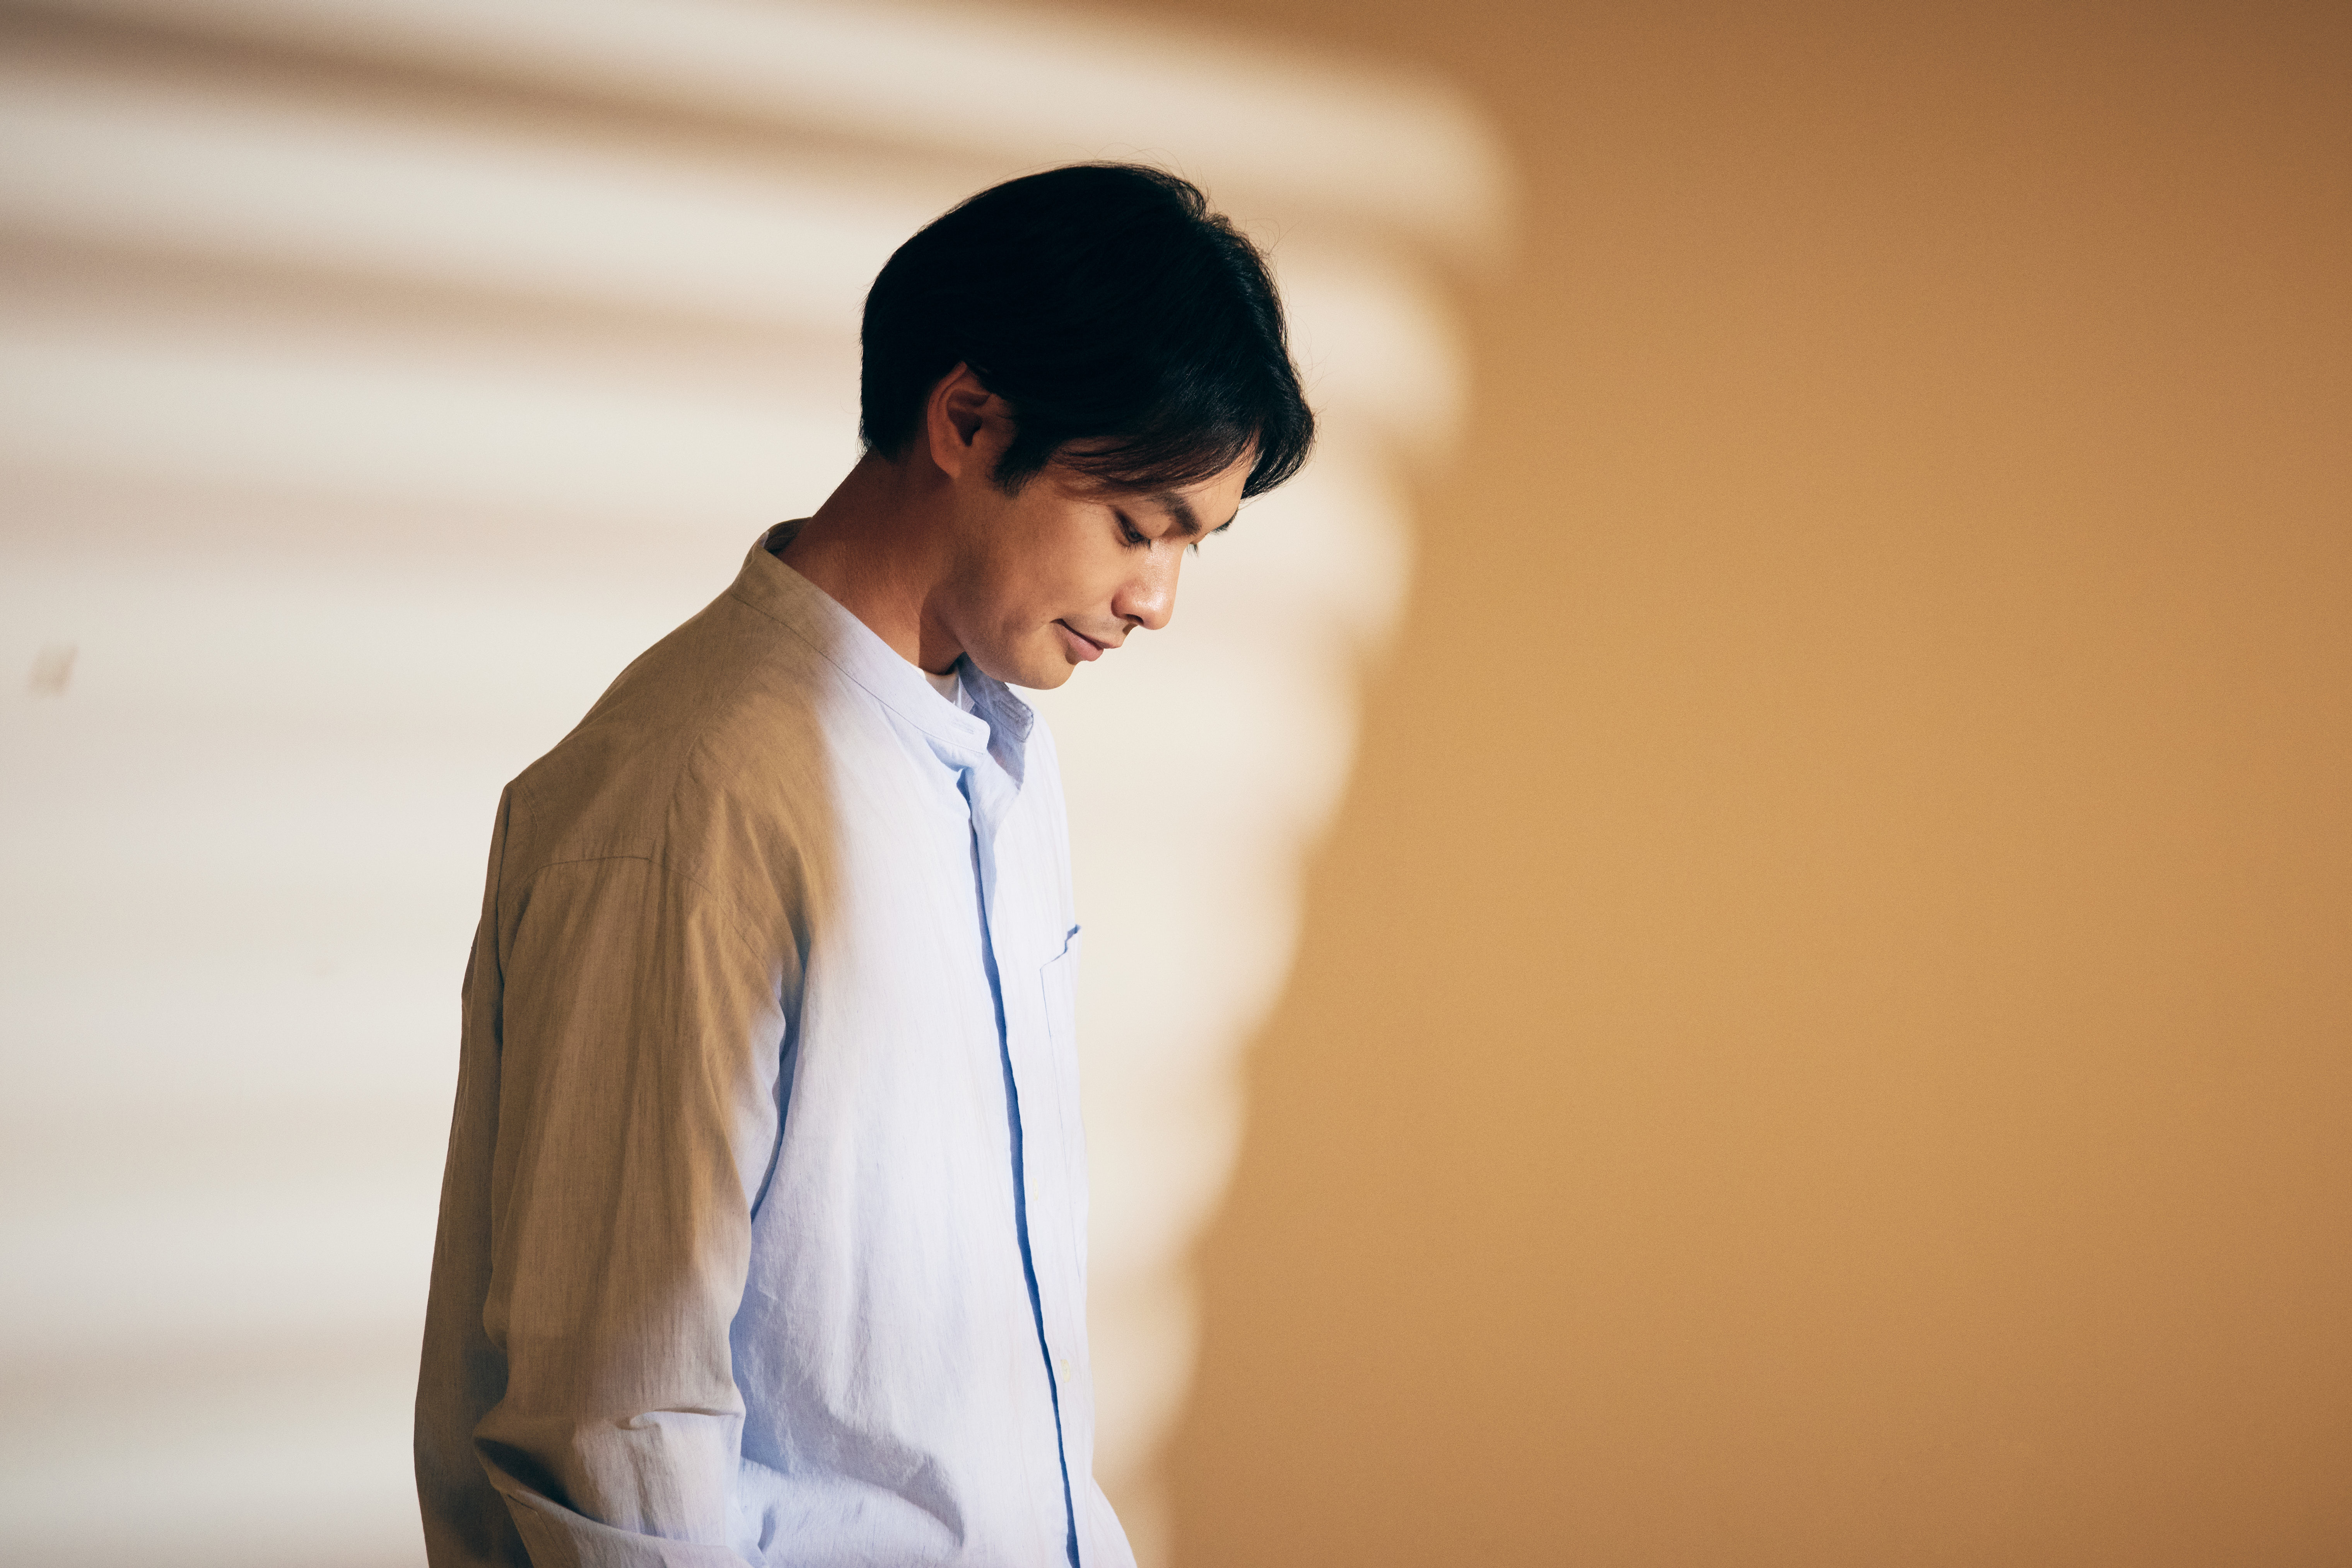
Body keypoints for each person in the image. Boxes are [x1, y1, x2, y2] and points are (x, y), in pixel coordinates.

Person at [413, 164, 1313, 1567]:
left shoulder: (994, 757)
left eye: (1195, 542)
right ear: (966, 421)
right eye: (1138, 526)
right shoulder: (694, 801)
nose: (1157, 600)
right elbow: (615, 1435)